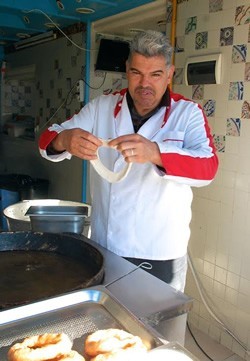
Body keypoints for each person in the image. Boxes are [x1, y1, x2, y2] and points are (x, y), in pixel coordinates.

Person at [39, 30, 218, 292]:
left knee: (158, 329)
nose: (145, 84)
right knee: (107, 325)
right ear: (126, 70)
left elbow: (208, 168)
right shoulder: (102, 106)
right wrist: (65, 140)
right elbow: (47, 139)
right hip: (106, 245)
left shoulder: (188, 113)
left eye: (155, 75)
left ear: (169, 74)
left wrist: (155, 153)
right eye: (137, 73)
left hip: (160, 252)